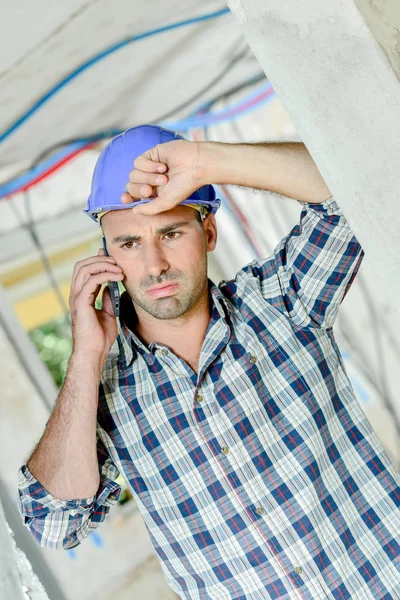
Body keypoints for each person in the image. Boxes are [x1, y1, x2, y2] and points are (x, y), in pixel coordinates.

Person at [18, 125, 400, 600]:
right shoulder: (102, 393)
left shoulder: (282, 301)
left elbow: (352, 185)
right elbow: (54, 525)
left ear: (209, 232)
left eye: (171, 231)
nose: (154, 264)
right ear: (107, 258)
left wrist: (204, 161)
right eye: (129, 243)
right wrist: (84, 359)